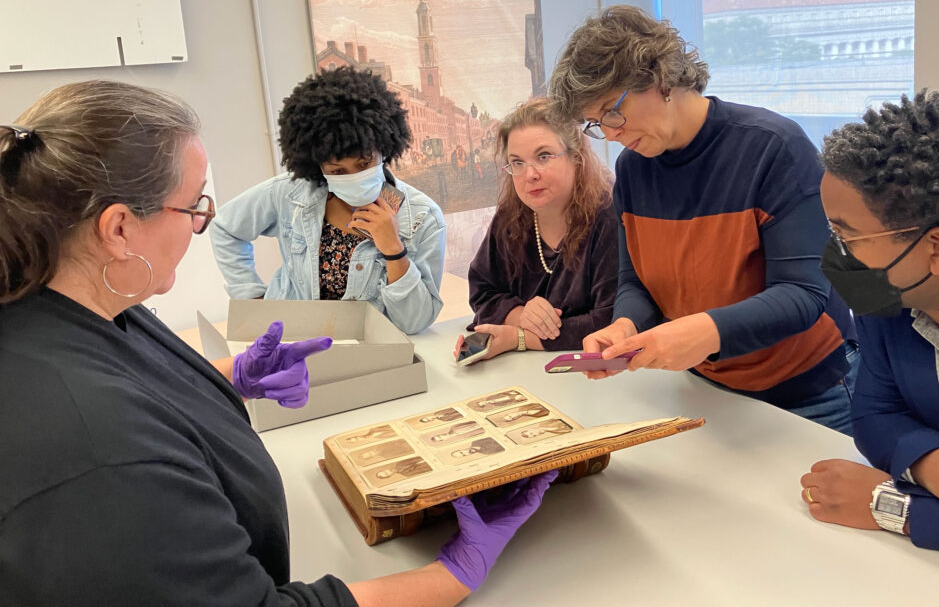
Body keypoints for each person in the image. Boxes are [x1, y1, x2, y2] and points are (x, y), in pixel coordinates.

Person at [0, 81, 558, 605]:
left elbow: (134, 376)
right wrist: (451, 574)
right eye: (195, 205)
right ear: (119, 229)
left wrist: (225, 376)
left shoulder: (84, 310)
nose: (202, 222)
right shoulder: (98, 450)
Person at [547, 5, 858, 433]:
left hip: (806, 393)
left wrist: (705, 331)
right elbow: (636, 281)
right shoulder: (636, 170)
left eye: (612, 111)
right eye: (596, 124)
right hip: (707, 386)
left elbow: (802, 294)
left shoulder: (773, 149)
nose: (612, 133)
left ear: (659, 78)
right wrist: (625, 325)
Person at [798, 92, 939, 577]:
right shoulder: (894, 300)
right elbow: (875, 415)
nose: (838, 255)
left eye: (847, 236)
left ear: (937, 248)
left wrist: (892, 508)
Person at [210, 67, 445, 335]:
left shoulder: (423, 217)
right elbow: (225, 228)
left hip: (371, 355)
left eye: (364, 162)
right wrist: (251, 300)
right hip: (294, 344)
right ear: (316, 165)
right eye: (337, 171)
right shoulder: (290, 194)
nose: (354, 176)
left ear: (385, 146)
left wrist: (393, 249)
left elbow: (414, 323)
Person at [458, 99, 618, 360]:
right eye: (517, 163)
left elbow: (610, 320)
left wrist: (520, 338)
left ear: (576, 158)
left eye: (543, 157)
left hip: (598, 373)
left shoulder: (608, 214)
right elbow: (482, 291)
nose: (529, 174)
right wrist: (521, 315)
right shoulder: (510, 216)